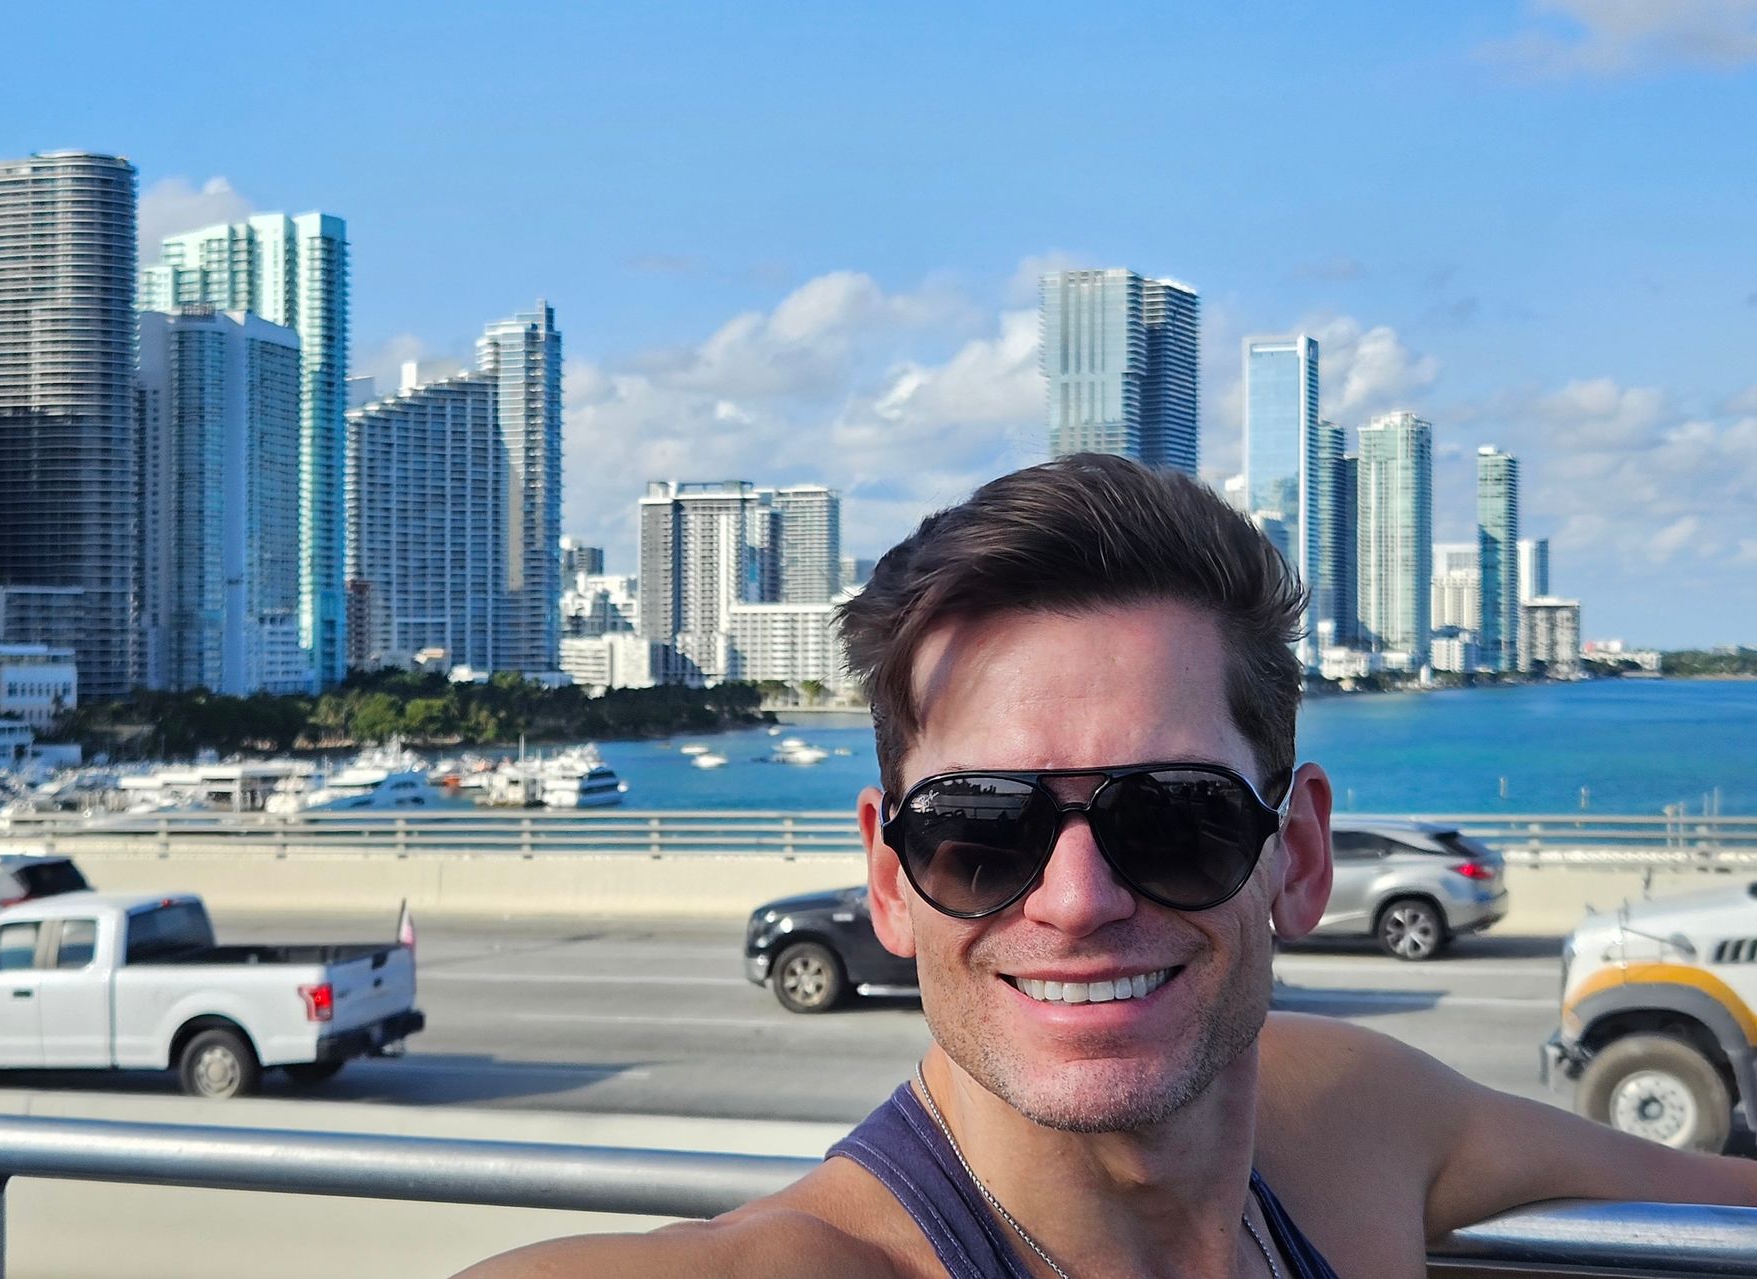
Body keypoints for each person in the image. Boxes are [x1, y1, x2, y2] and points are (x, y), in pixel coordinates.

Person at [460, 454, 1756, 1278]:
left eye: (1175, 821)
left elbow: (1717, 1192)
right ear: (892, 878)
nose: (1075, 901)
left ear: (1295, 856)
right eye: (980, 833)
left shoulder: (1347, 1126)